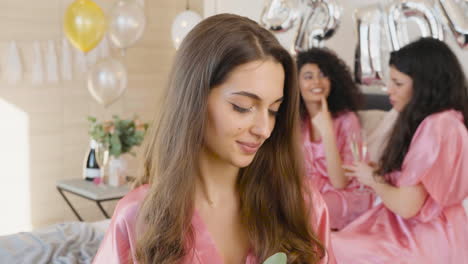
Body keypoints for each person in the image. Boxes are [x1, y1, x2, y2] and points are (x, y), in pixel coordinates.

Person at [93, 14, 335, 264]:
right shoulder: (137, 216)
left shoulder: (303, 205)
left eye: (273, 110)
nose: (264, 129)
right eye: (242, 107)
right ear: (194, 100)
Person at [334, 37, 468, 263]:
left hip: (422, 239)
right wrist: (390, 175)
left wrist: (373, 179)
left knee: (327, 247)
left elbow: (407, 206)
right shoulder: (450, 121)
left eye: (398, 83)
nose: (389, 90)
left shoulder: (436, 126)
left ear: (425, 84)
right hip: (445, 232)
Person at [297, 48, 375, 230]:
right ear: (296, 84)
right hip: (311, 190)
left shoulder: (347, 120)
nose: (316, 81)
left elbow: (340, 182)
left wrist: (327, 132)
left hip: (345, 194)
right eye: (308, 76)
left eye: (323, 75)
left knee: (306, 211)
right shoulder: (297, 122)